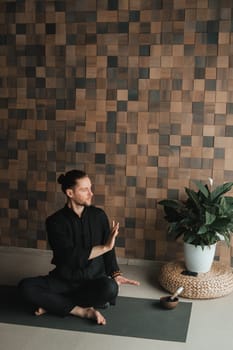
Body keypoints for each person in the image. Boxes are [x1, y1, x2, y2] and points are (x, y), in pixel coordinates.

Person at [18, 169, 139, 325]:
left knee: (110, 288)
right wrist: (104, 247)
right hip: (64, 280)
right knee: (25, 287)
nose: (91, 193)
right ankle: (81, 310)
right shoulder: (55, 222)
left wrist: (115, 274)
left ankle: (56, 304)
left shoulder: (99, 216)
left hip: (93, 280)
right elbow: (70, 257)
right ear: (70, 193)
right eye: (84, 190)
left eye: (90, 188)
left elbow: (110, 250)